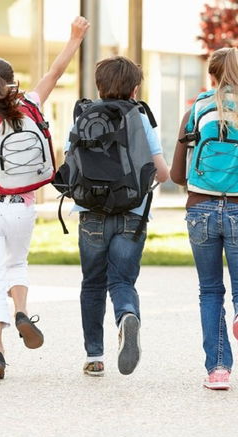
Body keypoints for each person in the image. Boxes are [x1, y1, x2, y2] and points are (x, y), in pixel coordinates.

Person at [0, 16, 90, 380]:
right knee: (18, 264)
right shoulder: (30, 102)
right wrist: (74, 37)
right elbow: (57, 72)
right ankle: (22, 311)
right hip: (22, 206)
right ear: (13, 83)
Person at [170, 47, 238, 390]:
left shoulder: (196, 110)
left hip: (200, 209)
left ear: (211, 76)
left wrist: (198, 186)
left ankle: (218, 369)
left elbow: (175, 173)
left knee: (210, 290)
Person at [66, 56, 169, 377]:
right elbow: (163, 173)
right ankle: (126, 315)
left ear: (99, 85)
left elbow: (70, 165)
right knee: (122, 280)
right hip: (132, 214)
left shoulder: (84, 116)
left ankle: (94, 356)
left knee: (92, 283)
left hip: (91, 214)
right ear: (135, 88)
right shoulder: (139, 117)